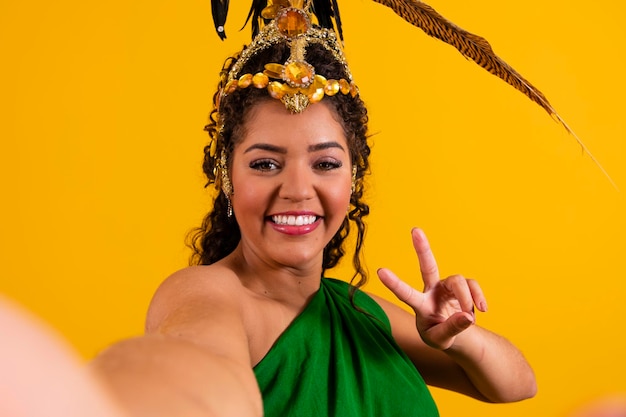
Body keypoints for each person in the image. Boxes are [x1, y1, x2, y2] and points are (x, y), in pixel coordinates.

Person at [86, 2, 537, 416]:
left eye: (325, 163)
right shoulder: (206, 295)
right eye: (265, 164)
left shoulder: (359, 311)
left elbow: (516, 384)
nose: (298, 189)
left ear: (354, 177)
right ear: (227, 175)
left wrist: (456, 333)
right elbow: (197, 378)